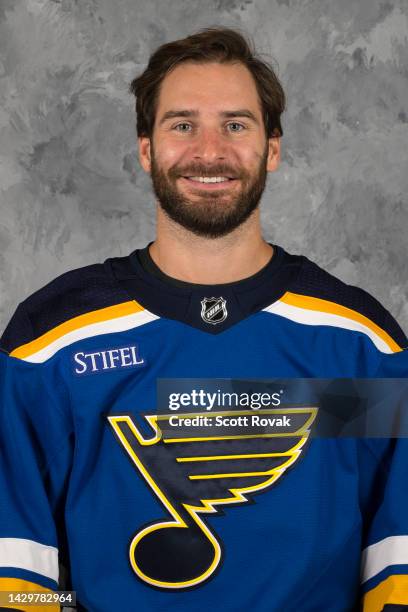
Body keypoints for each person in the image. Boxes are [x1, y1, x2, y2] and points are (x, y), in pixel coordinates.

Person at [0, 27, 407, 612]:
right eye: (183, 124)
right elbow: (21, 569)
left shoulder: (358, 344)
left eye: (236, 125)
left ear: (272, 148)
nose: (210, 152)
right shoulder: (52, 342)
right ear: (147, 148)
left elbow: (396, 557)